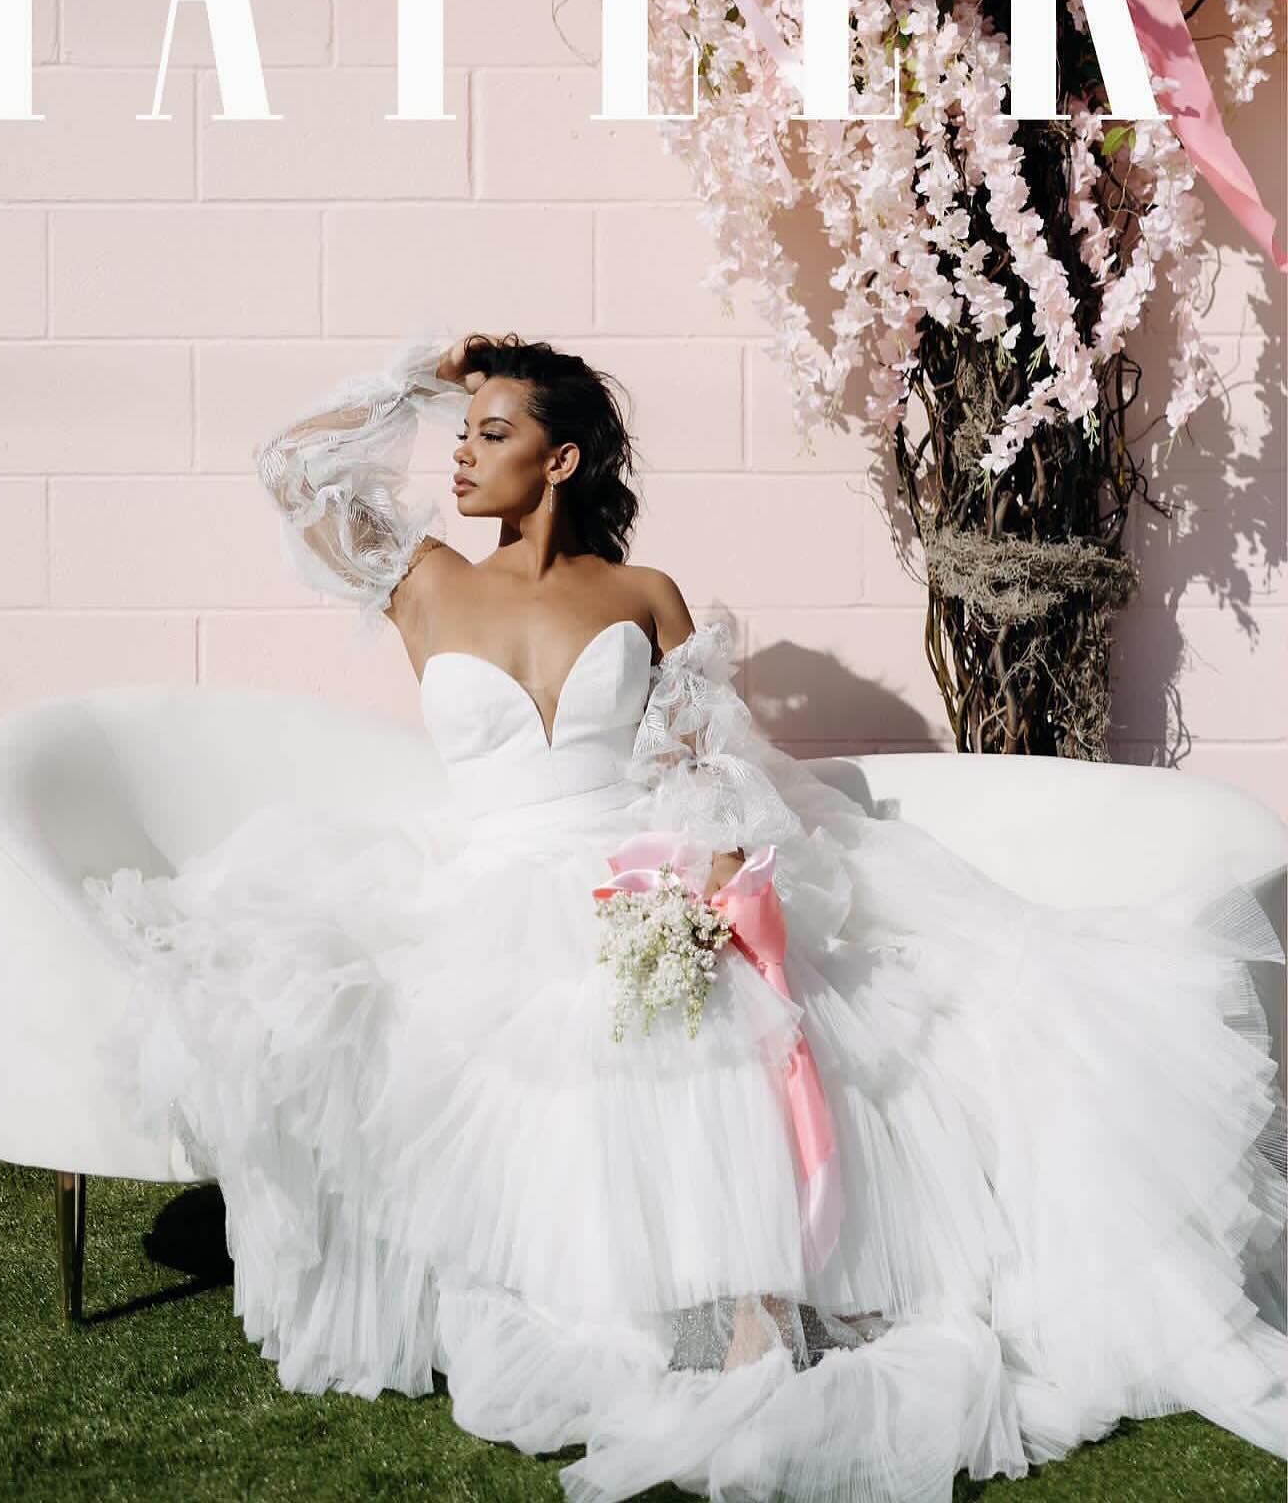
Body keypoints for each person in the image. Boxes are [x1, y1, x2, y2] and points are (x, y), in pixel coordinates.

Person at [83, 330, 1288, 1502]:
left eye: (491, 433)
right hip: (488, 891)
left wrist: (708, 881)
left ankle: (747, 1302)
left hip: (637, 873)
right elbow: (293, 469)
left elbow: (708, 769)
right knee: (531, 1041)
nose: (461, 454)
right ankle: (626, 1292)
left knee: (722, 1017)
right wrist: (423, 377)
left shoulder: (643, 593)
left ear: (559, 461)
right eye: (464, 434)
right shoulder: (425, 580)